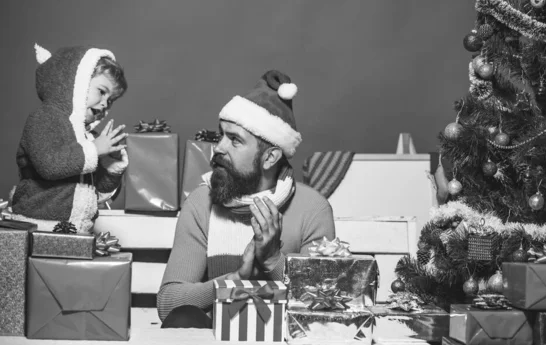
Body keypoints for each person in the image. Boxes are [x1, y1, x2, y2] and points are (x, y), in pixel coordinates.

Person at [158, 70, 335, 327]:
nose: (218, 147)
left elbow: (323, 305)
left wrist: (273, 260)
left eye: (235, 140)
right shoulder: (201, 202)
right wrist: (236, 280)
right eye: (222, 135)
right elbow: (168, 304)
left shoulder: (312, 209)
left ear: (270, 158)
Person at [11, 44, 129, 233]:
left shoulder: (89, 138)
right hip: (38, 225)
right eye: (101, 91)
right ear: (76, 84)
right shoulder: (44, 118)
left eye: (111, 100)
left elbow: (97, 195)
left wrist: (110, 167)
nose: (105, 103)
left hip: (77, 229)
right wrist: (95, 150)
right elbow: (49, 165)